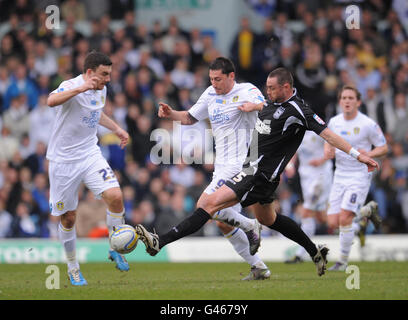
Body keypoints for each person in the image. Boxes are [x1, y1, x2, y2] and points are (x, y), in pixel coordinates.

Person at [136, 67, 379, 277]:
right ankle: (315, 251)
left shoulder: (299, 111)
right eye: (267, 88)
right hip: (258, 172)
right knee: (269, 219)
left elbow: (328, 134)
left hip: (257, 173)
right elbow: (266, 107)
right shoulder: (273, 102)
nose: (268, 91)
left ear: (286, 87)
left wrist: (360, 155)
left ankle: (160, 241)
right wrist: (257, 105)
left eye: (272, 88)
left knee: (208, 205)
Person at [157, 57, 271, 280]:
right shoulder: (210, 93)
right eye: (211, 79)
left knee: (205, 206)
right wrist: (171, 114)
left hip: (243, 164)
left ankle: (250, 226)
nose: (214, 84)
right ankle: (259, 266)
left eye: (218, 79)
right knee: (222, 222)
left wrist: (253, 106)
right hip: (222, 165)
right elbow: (190, 117)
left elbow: (269, 106)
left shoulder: (246, 90)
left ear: (231, 76)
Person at [46, 51, 130, 286]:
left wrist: (116, 128)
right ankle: (73, 268)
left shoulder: (101, 89)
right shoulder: (71, 85)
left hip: (90, 154)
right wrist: (80, 89)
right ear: (89, 72)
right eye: (104, 74)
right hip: (63, 162)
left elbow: (95, 113)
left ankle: (116, 247)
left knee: (115, 196)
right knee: (69, 217)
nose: (108, 79)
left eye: (110, 74)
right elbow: (51, 101)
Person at [325, 85, 388, 271]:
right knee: (332, 223)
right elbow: (327, 141)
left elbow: (384, 147)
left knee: (345, 218)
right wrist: (327, 150)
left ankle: (342, 262)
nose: (347, 101)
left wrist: (369, 153)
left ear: (358, 102)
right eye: (343, 97)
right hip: (339, 175)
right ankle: (366, 212)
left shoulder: (368, 124)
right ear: (340, 101)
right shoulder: (334, 122)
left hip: (359, 175)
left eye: (351, 98)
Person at [285, 130, 333, 264]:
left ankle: (301, 255)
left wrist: (321, 160)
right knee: (321, 217)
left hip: (321, 177)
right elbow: (293, 151)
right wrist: (290, 166)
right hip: (306, 177)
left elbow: (331, 149)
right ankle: (359, 220)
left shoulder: (319, 130)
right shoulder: (297, 131)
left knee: (306, 211)